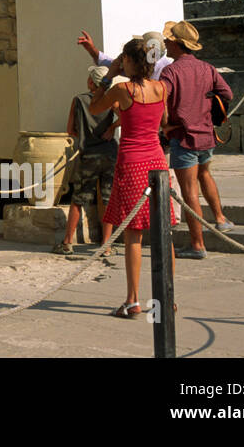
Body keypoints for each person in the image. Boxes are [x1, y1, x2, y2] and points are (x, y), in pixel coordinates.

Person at [89, 38, 177, 318]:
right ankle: (168, 297)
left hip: (131, 162)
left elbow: (94, 108)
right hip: (157, 160)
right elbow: (163, 122)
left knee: (133, 234)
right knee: (163, 231)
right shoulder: (161, 88)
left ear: (128, 60)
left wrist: (109, 76)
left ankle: (133, 300)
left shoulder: (122, 89)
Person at [160, 20, 235, 259]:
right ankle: (220, 218)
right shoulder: (207, 68)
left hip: (184, 137)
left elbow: (160, 98)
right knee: (205, 174)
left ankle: (197, 244)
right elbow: (227, 94)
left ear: (176, 43)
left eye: (168, 39)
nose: (165, 42)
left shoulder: (170, 71)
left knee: (189, 190)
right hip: (206, 134)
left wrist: (165, 125)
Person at [52, 65, 118, 258]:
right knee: (107, 199)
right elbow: (127, 117)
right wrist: (112, 128)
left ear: (91, 82)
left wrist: (84, 136)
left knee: (78, 199)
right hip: (109, 154)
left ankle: (67, 242)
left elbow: (70, 129)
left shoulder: (79, 100)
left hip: (88, 154)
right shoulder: (111, 100)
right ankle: (106, 245)